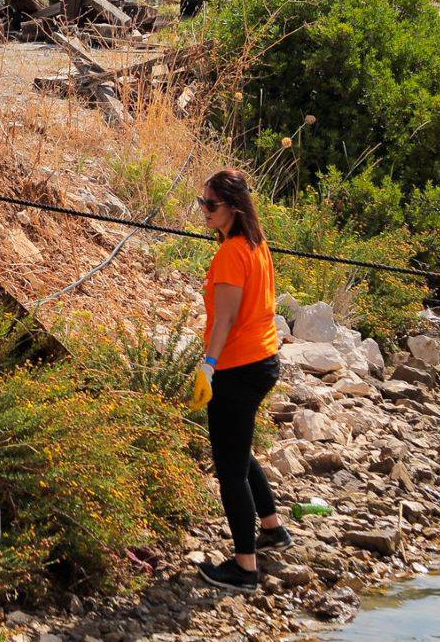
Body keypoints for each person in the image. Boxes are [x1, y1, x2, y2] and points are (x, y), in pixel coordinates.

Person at [193, 167, 291, 592]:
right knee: (240, 448)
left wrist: (208, 365)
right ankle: (272, 529)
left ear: (233, 207)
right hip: (264, 360)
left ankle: (245, 568)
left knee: (229, 469)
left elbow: (228, 317)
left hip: (237, 367)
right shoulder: (257, 243)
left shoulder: (232, 253)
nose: (205, 212)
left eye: (211, 206)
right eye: (203, 203)